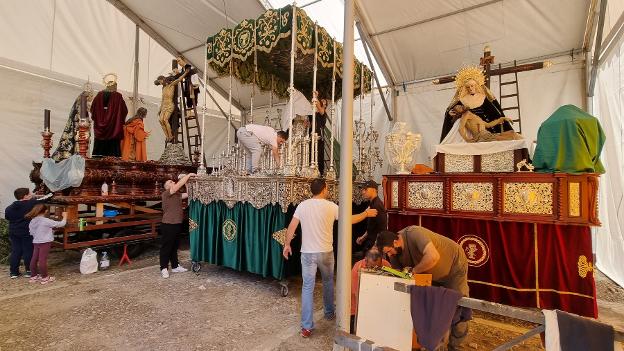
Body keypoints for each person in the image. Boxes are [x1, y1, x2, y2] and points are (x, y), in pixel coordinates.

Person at [282, 178, 378, 338]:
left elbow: (292, 226)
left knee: (307, 288)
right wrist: (366, 213)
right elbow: (350, 219)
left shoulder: (302, 206)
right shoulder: (330, 206)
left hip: (307, 253)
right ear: (324, 189)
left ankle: (306, 327)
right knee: (327, 282)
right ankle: (328, 312)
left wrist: (286, 244)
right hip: (325, 252)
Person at [377, 226, 470, 349]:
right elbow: (399, 276)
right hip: (431, 274)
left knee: (457, 306)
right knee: (434, 307)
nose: (389, 255)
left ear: (396, 242)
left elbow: (433, 257)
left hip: (454, 267)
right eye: (386, 253)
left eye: (389, 251)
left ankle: (457, 346)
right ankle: (436, 345)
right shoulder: (394, 253)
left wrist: (414, 271)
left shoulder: (414, 233)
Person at [440, 65, 514, 143]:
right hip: (478, 134)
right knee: (509, 138)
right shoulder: (463, 102)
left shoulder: (483, 97)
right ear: (465, 88)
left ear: (476, 86)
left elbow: (493, 114)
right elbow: (453, 111)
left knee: (511, 135)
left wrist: (501, 119)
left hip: (486, 127)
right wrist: (450, 113)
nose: (470, 88)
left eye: (472, 86)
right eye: (468, 87)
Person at [4, 188, 51, 278]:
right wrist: (51, 193)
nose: (31, 194)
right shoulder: (31, 203)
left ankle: (13, 272)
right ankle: (29, 271)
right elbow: (46, 198)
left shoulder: (9, 208)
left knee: (16, 250)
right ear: (25, 196)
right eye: (29, 193)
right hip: (26, 231)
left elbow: (8, 218)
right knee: (28, 250)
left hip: (13, 231)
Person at [160, 173, 195, 278]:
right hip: (168, 224)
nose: (173, 182)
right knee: (166, 247)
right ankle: (163, 268)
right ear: (166, 186)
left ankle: (175, 266)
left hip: (177, 223)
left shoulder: (177, 195)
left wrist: (187, 183)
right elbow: (176, 187)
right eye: (170, 182)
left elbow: (189, 194)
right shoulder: (166, 193)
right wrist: (187, 176)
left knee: (174, 246)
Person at [350, 247, 391, 333]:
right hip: (358, 305)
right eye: (372, 267)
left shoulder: (386, 264)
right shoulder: (357, 269)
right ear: (365, 260)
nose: (374, 269)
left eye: (378, 267)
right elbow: (356, 294)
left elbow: (390, 286)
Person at [25, 204, 67, 284]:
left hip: (36, 242)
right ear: (45, 211)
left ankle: (33, 276)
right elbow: (61, 224)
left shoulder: (32, 220)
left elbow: (32, 232)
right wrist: (65, 216)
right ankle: (45, 278)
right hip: (45, 242)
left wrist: (50, 231)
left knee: (34, 259)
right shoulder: (46, 220)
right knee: (42, 260)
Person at [90, 73, 128, 157]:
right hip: (113, 125)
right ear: (113, 86)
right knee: (113, 146)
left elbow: (93, 109)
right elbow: (124, 110)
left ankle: (97, 159)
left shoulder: (99, 95)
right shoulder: (118, 96)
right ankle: (113, 161)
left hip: (100, 124)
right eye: (115, 86)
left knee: (99, 148)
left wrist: (100, 116)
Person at [455, 105, 522, 142]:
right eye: (457, 108)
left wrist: (501, 119)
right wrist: (467, 140)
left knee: (512, 133)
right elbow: (460, 128)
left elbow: (488, 125)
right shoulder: (465, 114)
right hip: (482, 137)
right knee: (512, 137)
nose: (460, 106)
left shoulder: (475, 117)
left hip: (487, 134)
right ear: (458, 112)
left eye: (460, 105)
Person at [156, 71, 188, 142]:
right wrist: (160, 109)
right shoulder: (163, 88)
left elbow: (179, 79)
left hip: (170, 105)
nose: (160, 83)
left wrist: (185, 73)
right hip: (164, 106)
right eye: (159, 82)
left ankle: (170, 135)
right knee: (160, 120)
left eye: (160, 81)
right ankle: (167, 136)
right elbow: (162, 99)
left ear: (164, 80)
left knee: (165, 120)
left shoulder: (171, 85)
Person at [355, 180, 387, 252]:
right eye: (362, 189)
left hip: (375, 246)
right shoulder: (372, 203)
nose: (363, 192)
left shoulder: (377, 205)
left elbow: (382, 228)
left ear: (374, 190)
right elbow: (372, 226)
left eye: (365, 189)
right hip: (370, 243)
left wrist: (376, 246)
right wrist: (363, 237)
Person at [308, 91, 328, 174]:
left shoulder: (323, 113)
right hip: (311, 135)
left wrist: (315, 97)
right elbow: (309, 125)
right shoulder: (313, 114)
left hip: (319, 136)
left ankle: (319, 172)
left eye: (323, 102)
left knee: (319, 155)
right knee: (310, 153)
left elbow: (320, 109)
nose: (321, 103)